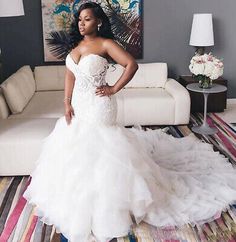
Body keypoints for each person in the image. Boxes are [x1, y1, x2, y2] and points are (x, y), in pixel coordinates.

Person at [23, 2, 236, 242]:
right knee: (75, 147)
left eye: (88, 19)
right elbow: (70, 74)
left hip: (99, 106)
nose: (82, 24)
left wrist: (113, 88)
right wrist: (66, 102)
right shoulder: (77, 44)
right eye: (80, 19)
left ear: (99, 22)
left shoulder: (106, 44)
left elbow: (131, 65)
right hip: (79, 105)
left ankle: (110, 206)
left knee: (103, 150)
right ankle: (81, 200)